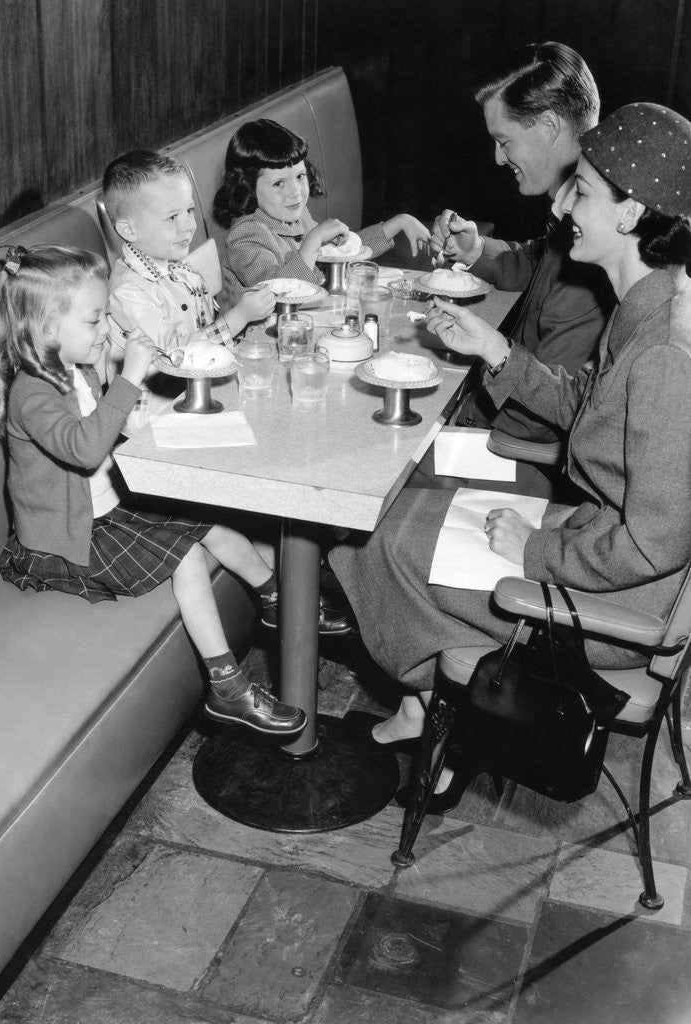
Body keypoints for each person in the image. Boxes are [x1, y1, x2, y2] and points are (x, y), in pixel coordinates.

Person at [330, 103, 691, 786]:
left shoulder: (665, 353)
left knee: (363, 535)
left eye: (579, 189)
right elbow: (591, 408)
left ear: (629, 213)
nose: (563, 204)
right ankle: (435, 703)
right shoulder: (646, 304)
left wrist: (533, 550)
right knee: (397, 510)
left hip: (617, 607)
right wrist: (495, 349)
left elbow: (657, 542)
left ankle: (440, 705)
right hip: (598, 549)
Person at [0, 243, 308, 737]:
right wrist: (130, 377)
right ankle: (227, 685)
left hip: (108, 513)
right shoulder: (32, 391)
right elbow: (84, 449)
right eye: (95, 321)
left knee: (215, 526)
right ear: (48, 328)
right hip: (66, 542)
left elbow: (108, 433)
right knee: (187, 558)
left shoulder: (74, 370)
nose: (104, 332)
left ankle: (279, 602)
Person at [425, 42, 615, 453]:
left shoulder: (596, 250)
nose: (497, 158)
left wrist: (458, 401)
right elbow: (541, 260)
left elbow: (537, 421)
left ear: (548, 126)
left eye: (504, 140)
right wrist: (474, 250)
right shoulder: (577, 209)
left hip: (516, 448)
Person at [102, 150, 275, 433]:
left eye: (189, 210)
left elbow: (210, 327)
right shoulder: (127, 292)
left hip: (202, 395)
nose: (188, 225)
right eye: (172, 217)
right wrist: (240, 318)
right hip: (156, 422)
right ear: (128, 230)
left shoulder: (182, 269)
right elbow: (177, 353)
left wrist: (252, 316)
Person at [213, 118, 432, 305]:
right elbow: (280, 292)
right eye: (279, 183)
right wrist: (314, 240)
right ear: (246, 188)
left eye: (300, 177)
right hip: (254, 342)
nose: (296, 193)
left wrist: (398, 223)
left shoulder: (294, 216)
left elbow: (343, 251)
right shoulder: (245, 237)